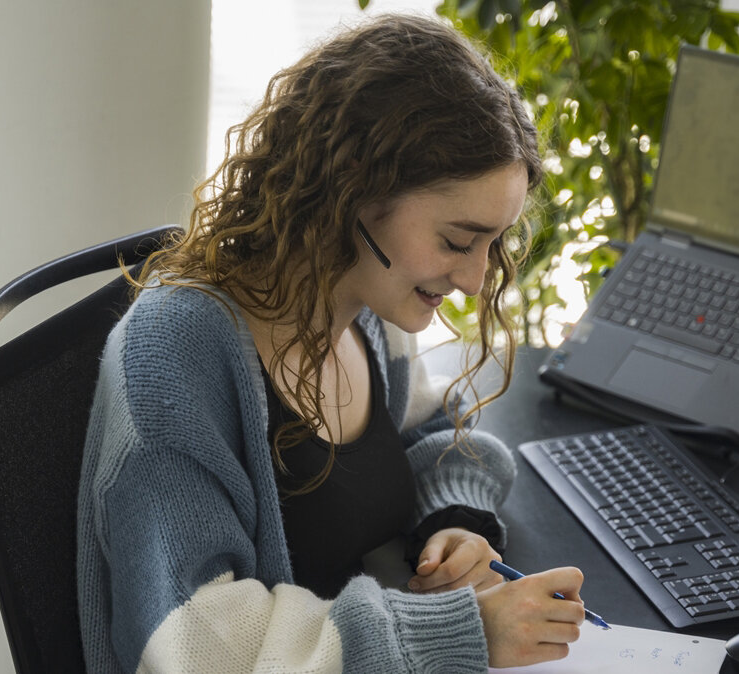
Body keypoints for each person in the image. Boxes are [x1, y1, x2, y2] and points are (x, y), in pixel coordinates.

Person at [77, 13, 589, 673]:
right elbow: (192, 644)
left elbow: (432, 440)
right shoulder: (173, 355)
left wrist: (453, 522)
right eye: (458, 241)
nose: (474, 279)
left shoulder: (368, 309)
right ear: (356, 186)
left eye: (494, 244)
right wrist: (456, 632)